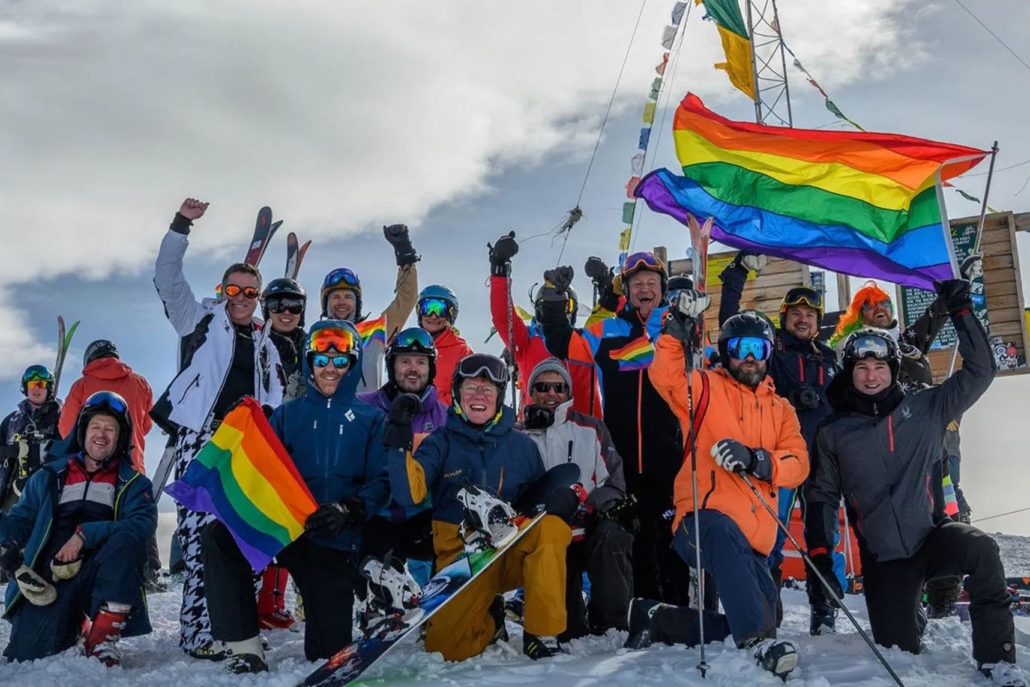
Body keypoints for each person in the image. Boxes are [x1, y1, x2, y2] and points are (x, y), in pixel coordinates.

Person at [806, 276, 1026, 687]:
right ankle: (911, 611)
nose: (871, 376)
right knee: (899, 648)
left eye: (879, 367)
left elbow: (981, 370)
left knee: (982, 548)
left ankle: (997, 660)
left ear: (893, 369)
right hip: (885, 559)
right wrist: (820, 553)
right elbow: (821, 497)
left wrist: (962, 311)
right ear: (850, 372)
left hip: (932, 539)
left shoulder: (926, 407)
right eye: (861, 368)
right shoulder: (833, 433)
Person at [626, 299, 809, 680]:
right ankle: (756, 642)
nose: (749, 358)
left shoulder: (782, 410)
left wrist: (759, 461)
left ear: (769, 354)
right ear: (726, 353)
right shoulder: (705, 389)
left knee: (764, 617)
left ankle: (659, 619)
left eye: (757, 349)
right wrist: (675, 332)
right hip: (701, 525)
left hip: (755, 543)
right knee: (752, 616)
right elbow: (667, 377)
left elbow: (798, 463)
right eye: (739, 348)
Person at [202, 320, 392, 673]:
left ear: (352, 364)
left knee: (327, 655)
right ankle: (245, 647)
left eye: (339, 361)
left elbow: (382, 481)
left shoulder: (372, 419)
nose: (330, 369)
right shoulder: (289, 414)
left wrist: (349, 510)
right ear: (309, 364)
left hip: (334, 541)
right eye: (321, 361)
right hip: (286, 530)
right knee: (218, 535)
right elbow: (260, 469)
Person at [151, 197, 284, 659]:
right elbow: (167, 279)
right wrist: (180, 225)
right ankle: (197, 633)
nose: (243, 299)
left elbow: (275, 400)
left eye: (250, 292)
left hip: (248, 447)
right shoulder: (201, 321)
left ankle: (234, 629)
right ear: (222, 292)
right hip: (204, 439)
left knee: (241, 536)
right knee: (199, 534)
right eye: (234, 291)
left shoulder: (267, 346)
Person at [386, 353, 575, 660]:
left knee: (552, 529)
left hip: (508, 549)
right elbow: (410, 494)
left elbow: (540, 502)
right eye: (471, 388)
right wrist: (397, 444)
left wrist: (560, 500)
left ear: (499, 397)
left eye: (487, 390)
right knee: (446, 648)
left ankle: (542, 632)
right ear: (458, 394)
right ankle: (490, 617)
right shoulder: (440, 442)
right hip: (463, 561)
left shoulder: (522, 446)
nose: (478, 396)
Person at [537, 255, 688, 606]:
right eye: (637, 284)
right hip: (621, 457)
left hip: (670, 456)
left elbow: (712, 366)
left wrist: (690, 330)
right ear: (629, 292)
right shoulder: (607, 331)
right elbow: (560, 341)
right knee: (634, 537)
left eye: (651, 282)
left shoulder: (678, 330)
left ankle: (682, 608)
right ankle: (643, 609)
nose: (644, 289)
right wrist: (555, 297)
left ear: (662, 289)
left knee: (674, 535)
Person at [717, 251, 844, 634]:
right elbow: (730, 323)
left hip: (822, 461)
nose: (802, 320)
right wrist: (737, 274)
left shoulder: (832, 358)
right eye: (795, 314)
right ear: (784, 318)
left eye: (809, 315)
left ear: (818, 323)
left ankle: (824, 611)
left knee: (823, 538)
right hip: (778, 459)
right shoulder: (771, 351)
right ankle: (765, 610)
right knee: (769, 535)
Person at [0, 391, 158, 665]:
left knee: (127, 539)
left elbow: (141, 525)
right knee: (26, 656)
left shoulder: (134, 484)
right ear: (82, 432)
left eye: (111, 429)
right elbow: (20, 524)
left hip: (101, 570)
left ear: (121, 437)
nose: (102, 434)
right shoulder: (47, 477)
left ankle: (102, 636)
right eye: (95, 426)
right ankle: (78, 622)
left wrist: (84, 535)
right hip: (49, 576)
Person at [521, 358, 634, 640]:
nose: (551, 393)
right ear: (531, 391)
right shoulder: (518, 436)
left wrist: (591, 507)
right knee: (567, 631)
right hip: (548, 535)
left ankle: (612, 623)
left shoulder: (592, 429)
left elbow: (615, 482)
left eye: (558, 387)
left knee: (612, 535)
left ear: (568, 393)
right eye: (543, 386)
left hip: (590, 527)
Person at [357, 326, 448, 584]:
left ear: (431, 369)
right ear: (392, 365)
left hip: (422, 518)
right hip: (378, 517)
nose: (413, 369)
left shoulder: (444, 417)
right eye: (405, 360)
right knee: (381, 582)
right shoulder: (365, 406)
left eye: (421, 362)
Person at [487, 232, 602, 417]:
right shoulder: (526, 340)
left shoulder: (586, 341)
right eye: (547, 303)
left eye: (567, 305)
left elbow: (612, 325)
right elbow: (503, 317)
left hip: (585, 433)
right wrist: (499, 269)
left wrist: (606, 287)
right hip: (536, 431)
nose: (559, 309)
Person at [319, 223, 420, 392]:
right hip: (328, 415)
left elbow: (407, 299)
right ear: (326, 303)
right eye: (335, 297)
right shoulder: (317, 338)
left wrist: (405, 254)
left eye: (348, 297)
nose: (342, 302)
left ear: (357, 303)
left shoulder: (375, 332)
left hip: (368, 414)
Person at [59, 340, 153, 475]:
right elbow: (146, 425)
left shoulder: (81, 386)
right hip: (131, 465)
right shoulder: (140, 383)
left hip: (89, 469)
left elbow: (66, 428)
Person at [0, 365, 64, 513]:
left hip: (47, 493)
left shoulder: (62, 417)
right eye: (32, 384)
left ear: (48, 387)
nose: (36, 389)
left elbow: (70, 450)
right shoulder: (12, 420)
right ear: (25, 388)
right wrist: (9, 452)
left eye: (41, 384)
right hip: (11, 492)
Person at [415, 285, 473, 406]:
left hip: (444, 420)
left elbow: (467, 393)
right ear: (419, 311)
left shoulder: (461, 352)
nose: (433, 315)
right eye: (427, 308)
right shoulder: (409, 345)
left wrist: (432, 408)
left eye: (441, 310)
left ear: (451, 314)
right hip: (409, 418)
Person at [261, 277, 309, 400]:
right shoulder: (255, 344)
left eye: (295, 306)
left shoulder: (312, 348)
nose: (286, 312)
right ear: (266, 310)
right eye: (277, 305)